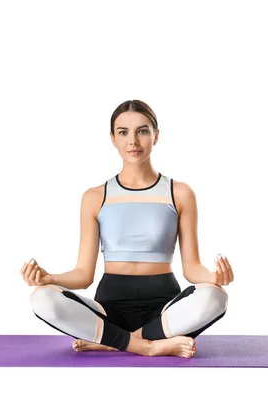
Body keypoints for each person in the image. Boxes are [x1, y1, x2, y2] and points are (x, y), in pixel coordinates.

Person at [20, 99, 234, 358]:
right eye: (123, 132)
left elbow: (192, 268)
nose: (133, 141)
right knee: (41, 298)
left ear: (156, 135)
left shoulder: (180, 193)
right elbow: (83, 274)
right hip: (109, 310)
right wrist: (49, 278)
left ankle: (114, 340)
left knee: (216, 297)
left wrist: (214, 278)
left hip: (165, 311)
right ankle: (148, 345)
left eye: (142, 131)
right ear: (113, 138)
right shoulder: (95, 196)